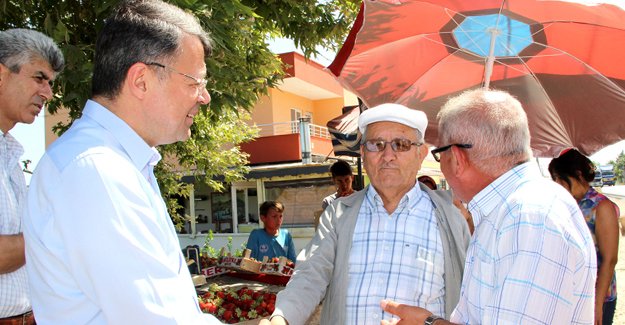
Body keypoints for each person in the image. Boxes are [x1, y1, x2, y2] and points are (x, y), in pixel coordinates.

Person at [22, 1, 221, 324]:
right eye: (195, 82)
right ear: (141, 80)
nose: (204, 97)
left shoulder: (114, 162)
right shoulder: (97, 171)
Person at [381, 89, 597, 325]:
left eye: (439, 153)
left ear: (457, 157)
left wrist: (429, 323)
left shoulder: (529, 217)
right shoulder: (513, 210)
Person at [261, 103, 471, 325]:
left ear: (421, 153)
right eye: (376, 144)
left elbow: (474, 294)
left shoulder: (450, 216)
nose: (388, 155)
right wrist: (281, 318)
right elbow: (310, 274)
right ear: (363, 153)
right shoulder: (338, 214)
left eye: (401, 144)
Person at [0, 28, 64, 325]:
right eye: (39, 78)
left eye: (50, 83)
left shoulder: (10, 153)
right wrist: (60, 233)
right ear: (1, 75)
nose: (48, 94)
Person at [549, 149, 619, 325]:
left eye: (560, 178)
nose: (557, 184)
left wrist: (597, 304)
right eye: (554, 179)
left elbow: (609, 259)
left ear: (578, 174)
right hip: (571, 295)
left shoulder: (601, 207)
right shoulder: (565, 205)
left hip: (596, 297)